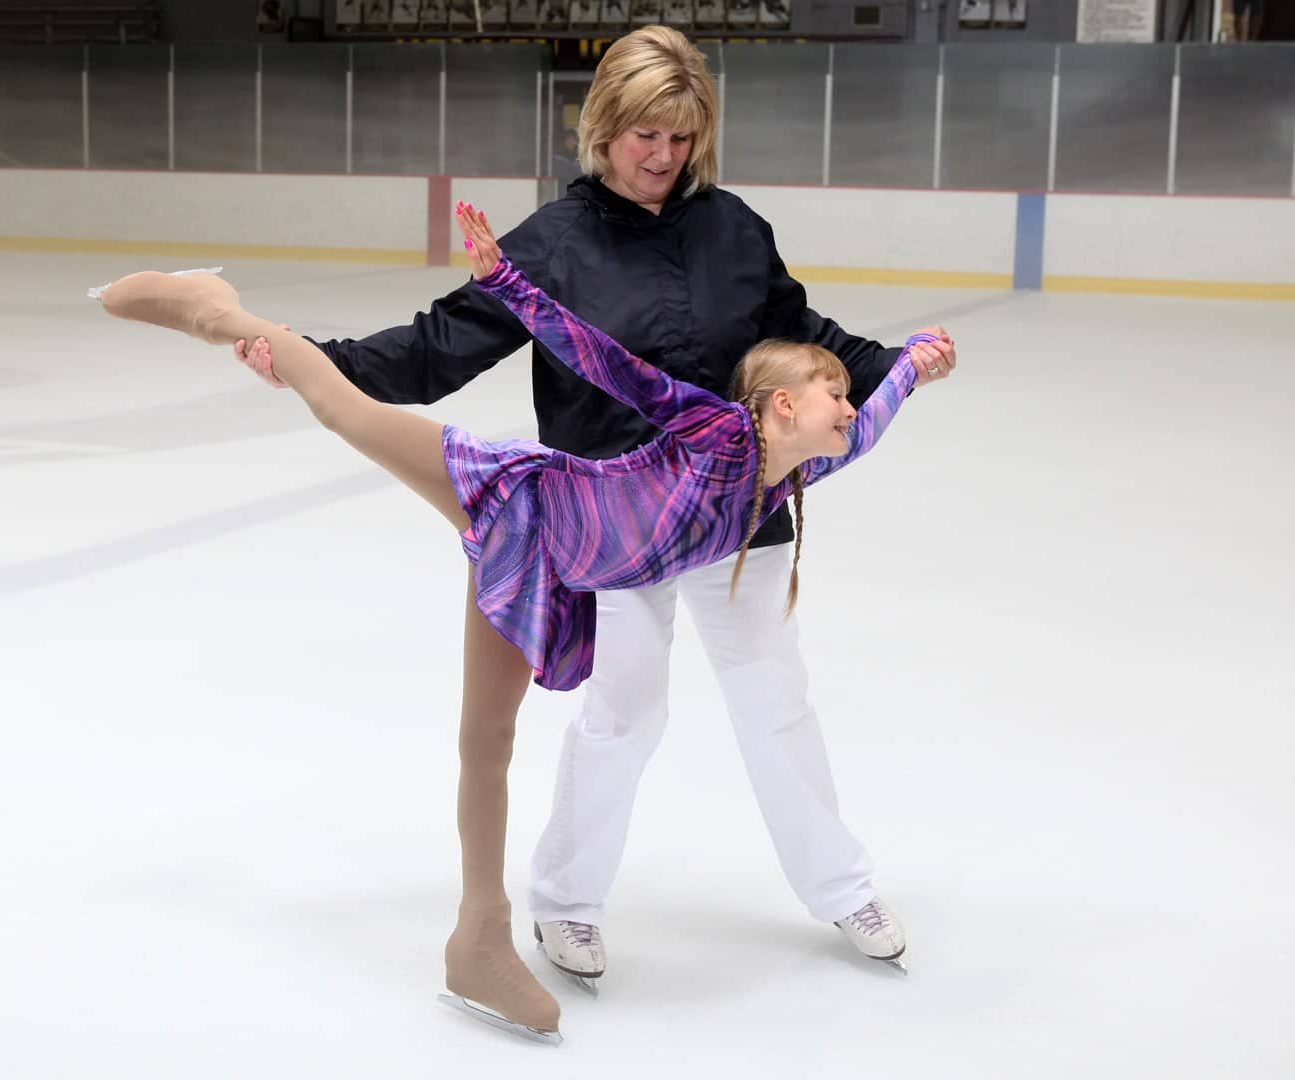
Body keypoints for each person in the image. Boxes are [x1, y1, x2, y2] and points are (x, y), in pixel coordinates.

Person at [96, 201, 954, 1043]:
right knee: (345, 411)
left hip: (553, 574)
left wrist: (914, 360)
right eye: (831, 393)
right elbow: (608, 363)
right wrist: (508, 280)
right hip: (523, 498)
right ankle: (214, 311)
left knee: (487, 740)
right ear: (773, 405)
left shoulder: (784, 481)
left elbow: (878, 416)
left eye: (846, 397)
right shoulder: (710, 428)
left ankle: (475, 942)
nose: (848, 406)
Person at [234, 25, 958, 1002]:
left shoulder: (731, 228)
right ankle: (566, 900)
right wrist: (306, 357)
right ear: (602, 128)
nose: (662, 156)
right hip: (616, 521)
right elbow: (432, 349)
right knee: (624, 712)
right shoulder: (553, 245)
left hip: (740, 516)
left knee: (773, 699)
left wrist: (895, 362)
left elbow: (802, 332)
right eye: (643, 135)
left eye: (679, 136)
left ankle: (841, 888)